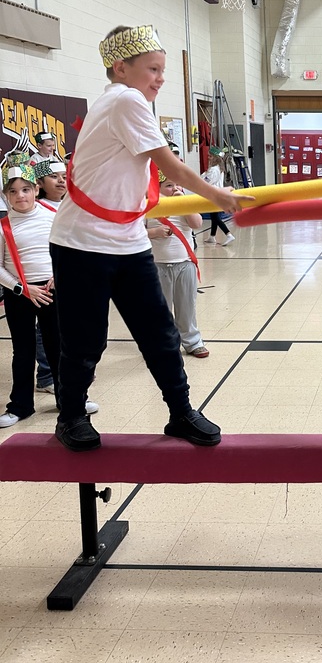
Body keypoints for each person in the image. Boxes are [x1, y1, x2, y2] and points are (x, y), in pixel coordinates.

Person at [49, 24, 248, 452]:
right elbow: (170, 166)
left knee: (158, 333)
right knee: (85, 339)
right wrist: (219, 196)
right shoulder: (125, 99)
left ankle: (180, 413)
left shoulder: (123, 101)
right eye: (153, 69)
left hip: (127, 238)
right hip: (82, 241)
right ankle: (71, 418)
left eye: (163, 70)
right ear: (121, 68)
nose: (160, 78)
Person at [0, 153, 98, 428]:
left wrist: (60, 274)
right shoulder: (4, 226)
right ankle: (20, 405)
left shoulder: (54, 214)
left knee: (60, 349)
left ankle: (69, 400)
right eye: (13, 191)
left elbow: (71, 245)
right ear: (5, 195)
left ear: (36, 190)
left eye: (26, 190)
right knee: (23, 351)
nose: (21, 196)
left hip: (53, 290)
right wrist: (22, 287)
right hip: (20, 293)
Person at [147, 172, 209, 359]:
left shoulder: (185, 205)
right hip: (158, 265)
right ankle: (162, 343)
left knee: (187, 306)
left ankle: (192, 341)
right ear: (157, 188)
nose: (174, 189)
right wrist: (156, 232)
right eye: (168, 186)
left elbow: (197, 223)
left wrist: (185, 205)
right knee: (160, 309)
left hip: (185, 263)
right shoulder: (149, 205)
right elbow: (135, 231)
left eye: (177, 185)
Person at [32, 158, 67, 395]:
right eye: (54, 177)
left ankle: (66, 370)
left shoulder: (70, 205)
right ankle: (46, 375)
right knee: (45, 329)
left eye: (64, 176)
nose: (61, 180)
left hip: (69, 274)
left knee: (67, 326)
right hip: (46, 277)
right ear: (40, 184)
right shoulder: (38, 208)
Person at [203, 148, 235, 246]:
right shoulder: (219, 168)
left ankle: (228, 234)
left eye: (210, 156)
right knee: (214, 216)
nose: (208, 158)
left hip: (214, 195)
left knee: (216, 218)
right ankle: (212, 236)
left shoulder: (214, 170)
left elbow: (207, 182)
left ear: (216, 158)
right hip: (217, 195)